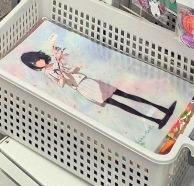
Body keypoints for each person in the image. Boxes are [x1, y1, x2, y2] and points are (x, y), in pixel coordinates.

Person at [20, 42, 177, 128]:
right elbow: (61, 84)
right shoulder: (48, 72)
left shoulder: (56, 61)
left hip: (88, 81)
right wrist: (61, 74)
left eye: (36, 59)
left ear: (40, 56)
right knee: (119, 104)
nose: (37, 62)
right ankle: (156, 120)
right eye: (34, 63)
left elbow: (74, 69)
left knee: (125, 95)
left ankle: (163, 109)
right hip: (84, 88)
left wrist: (64, 62)